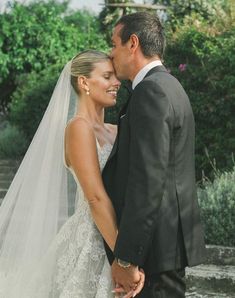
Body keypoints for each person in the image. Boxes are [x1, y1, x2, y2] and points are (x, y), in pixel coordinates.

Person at [0, 50, 144, 297]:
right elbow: (95, 198)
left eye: (115, 76)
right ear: (84, 82)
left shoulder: (116, 129)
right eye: (107, 76)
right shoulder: (78, 128)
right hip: (92, 240)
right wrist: (124, 260)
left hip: (121, 235)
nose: (116, 83)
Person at [102, 12, 206, 297]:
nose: (111, 54)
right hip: (164, 245)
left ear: (132, 43)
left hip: (154, 251)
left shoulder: (151, 92)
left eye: (114, 44)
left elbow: (148, 180)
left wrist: (126, 258)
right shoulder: (170, 86)